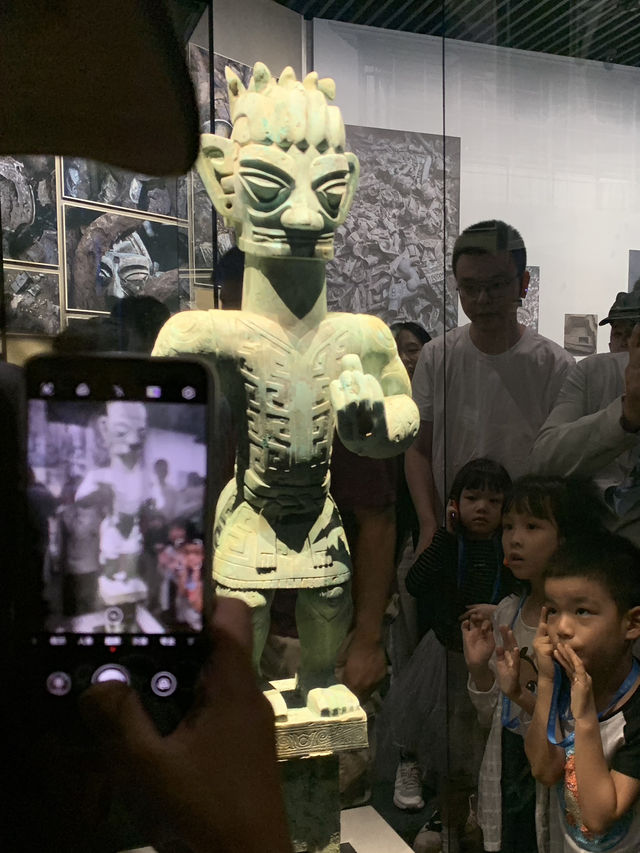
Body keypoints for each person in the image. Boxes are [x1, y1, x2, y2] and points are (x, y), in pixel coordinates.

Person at [406, 220, 574, 556]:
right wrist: (429, 523)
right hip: (452, 532)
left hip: (525, 539)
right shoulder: (437, 356)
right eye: (470, 287)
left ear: (523, 284)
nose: (482, 299)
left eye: (496, 285)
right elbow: (418, 449)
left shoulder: (555, 365)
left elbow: (564, 464)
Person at [461, 475, 606, 853]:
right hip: (509, 767)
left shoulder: (578, 628)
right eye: (508, 526)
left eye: (532, 526)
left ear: (567, 539)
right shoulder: (507, 612)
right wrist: (479, 669)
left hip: (557, 770)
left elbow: (580, 720)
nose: (514, 539)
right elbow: (493, 716)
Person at [386, 459, 512, 839]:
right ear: (456, 503)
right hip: (444, 654)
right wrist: (444, 533)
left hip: (490, 658)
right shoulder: (449, 544)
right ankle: (445, 814)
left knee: (480, 741)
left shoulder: (506, 548)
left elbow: (521, 592)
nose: (482, 508)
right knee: (446, 740)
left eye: (493, 501)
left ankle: (477, 817)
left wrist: (499, 609)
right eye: (472, 498)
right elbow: (415, 583)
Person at [526, 532, 640, 852]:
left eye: (582, 611)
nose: (562, 628)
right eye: (553, 610)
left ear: (632, 624)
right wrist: (546, 682)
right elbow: (544, 770)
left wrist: (585, 716)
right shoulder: (561, 682)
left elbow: (599, 817)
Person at [530, 296, 640, 548]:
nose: (624, 344)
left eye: (632, 335)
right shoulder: (593, 371)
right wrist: (624, 416)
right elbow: (544, 459)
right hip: (595, 537)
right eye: (618, 334)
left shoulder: (593, 370)